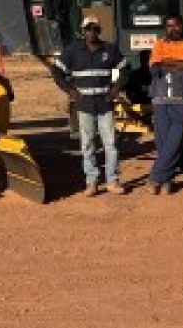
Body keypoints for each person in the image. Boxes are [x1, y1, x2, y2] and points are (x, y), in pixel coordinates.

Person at [53, 17, 130, 197]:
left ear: (99, 30)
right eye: (88, 29)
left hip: (105, 105)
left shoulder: (109, 50)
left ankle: (112, 181)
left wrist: (116, 89)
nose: (91, 32)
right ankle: (92, 182)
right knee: (87, 144)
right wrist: (70, 90)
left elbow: (125, 68)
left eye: (95, 28)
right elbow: (56, 71)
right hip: (84, 105)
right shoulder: (72, 52)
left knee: (110, 143)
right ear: (82, 31)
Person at [147, 13, 183, 195]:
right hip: (161, 97)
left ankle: (156, 176)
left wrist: (170, 63)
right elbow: (155, 68)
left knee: (177, 137)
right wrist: (182, 64)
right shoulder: (160, 43)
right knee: (163, 140)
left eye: (176, 25)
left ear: (182, 25)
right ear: (166, 28)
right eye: (169, 26)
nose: (173, 29)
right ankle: (167, 181)